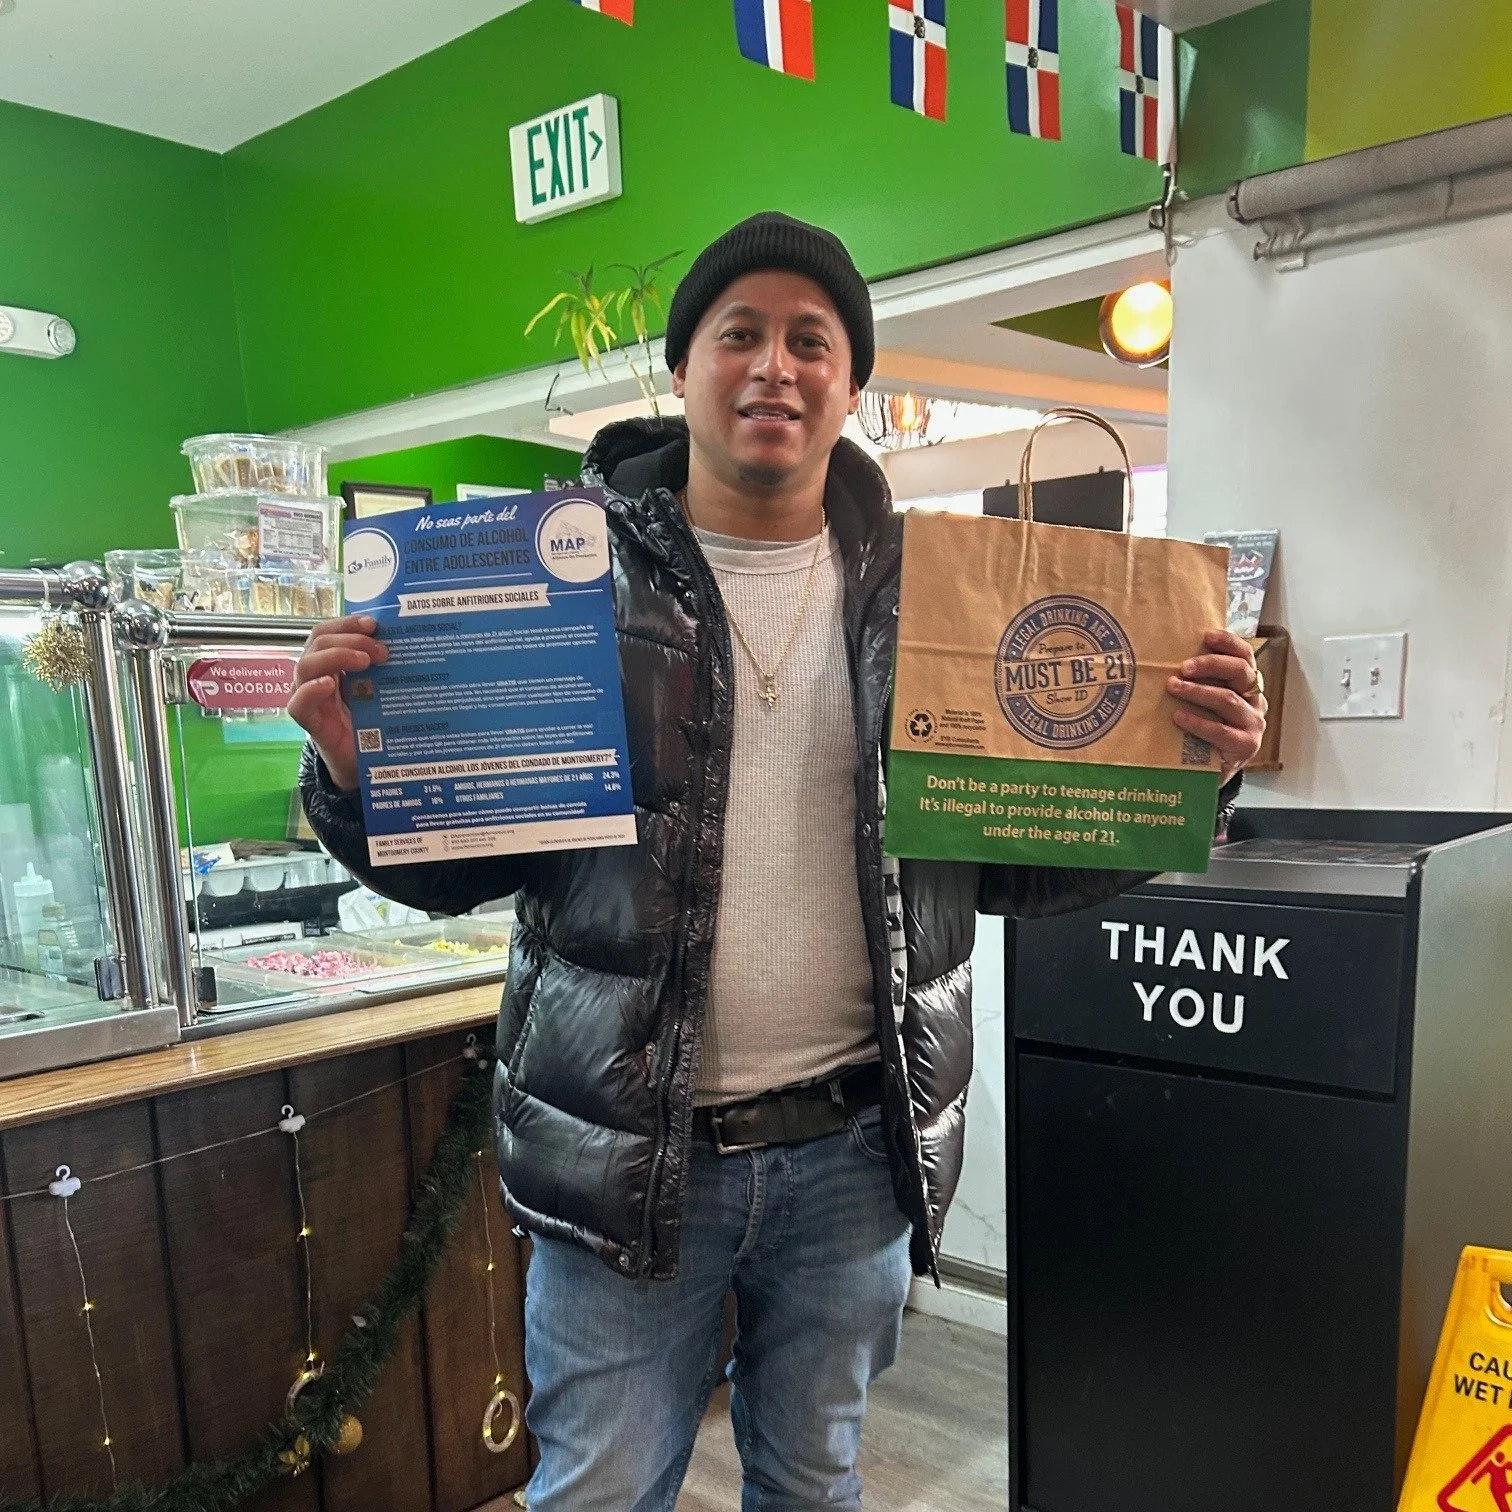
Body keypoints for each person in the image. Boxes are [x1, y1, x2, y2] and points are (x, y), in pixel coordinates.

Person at [291, 211, 1266, 1511]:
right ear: (682, 369)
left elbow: (1013, 874)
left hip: (852, 1160)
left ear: (852, 383)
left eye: (812, 339)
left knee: (816, 1484)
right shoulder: (556, 587)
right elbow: (457, 867)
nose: (776, 364)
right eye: (737, 332)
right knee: (598, 1492)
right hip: (626, 1158)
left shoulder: (939, 603)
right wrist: (362, 774)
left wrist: (1186, 773)